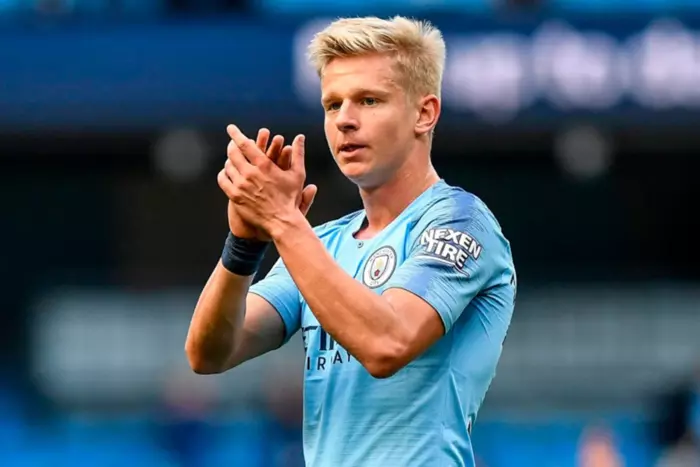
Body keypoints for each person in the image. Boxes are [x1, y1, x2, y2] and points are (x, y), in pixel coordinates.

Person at [185, 16, 516, 467]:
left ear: (424, 113)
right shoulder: (322, 244)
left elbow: (387, 344)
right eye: (332, 104)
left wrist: (283, 222)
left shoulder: (460, 222)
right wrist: (244, 244)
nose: (344, 120)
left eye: (369, 100)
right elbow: (209, 353)